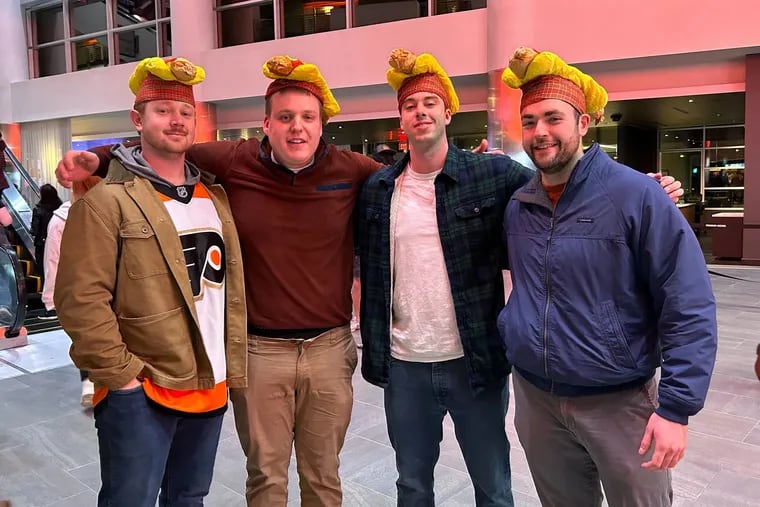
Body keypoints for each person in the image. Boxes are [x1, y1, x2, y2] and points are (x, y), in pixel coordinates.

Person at [57, 55, 378, 507]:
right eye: (285, 117)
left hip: (324, 349)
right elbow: (165, 146)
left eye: (308, 118)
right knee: (263, 477)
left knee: (321, 477)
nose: (297, 128)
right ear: (265, 124)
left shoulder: (351, 169)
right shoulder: (232, 161)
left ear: (323, 123)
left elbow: (409, 184)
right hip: (255, 352)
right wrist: (98, 156)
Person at [498, 47, 717, 506]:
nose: (540, 133)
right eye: (530, 121)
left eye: (554, 118)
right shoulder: (519, 205)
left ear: (584, 123)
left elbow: (687, 302)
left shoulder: (636, 195)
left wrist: (676, 409)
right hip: (537, 398)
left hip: (619, 402)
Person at [54, 56, 246, 507]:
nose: (176, 121)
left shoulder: (214, 197)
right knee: (129, 500)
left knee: (189, 497)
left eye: (184, 112)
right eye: (163, 110)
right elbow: (79, 300)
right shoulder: (104, 203)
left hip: (210, 381)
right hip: (142, 389)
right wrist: (122, 378)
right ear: (137, 120)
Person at [357, 48, 533, 507]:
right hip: (404, 363)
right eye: (411, 105)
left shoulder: (490, 173)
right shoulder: (378, 189)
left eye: (430, 103)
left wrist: (641, 186)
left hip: (472, 360)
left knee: (493, 484)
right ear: (401, 119)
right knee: (412, 485)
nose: (420, 112)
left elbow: (557, 188)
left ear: (448, 112)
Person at [41, 176, 101, 404]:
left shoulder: (111, 212)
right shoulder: (62, 220)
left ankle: (96, 381)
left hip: (103, 287)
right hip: (81, 289)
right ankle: (90, 382)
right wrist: (51, 296)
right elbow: (53, 259)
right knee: (86, 336)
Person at [30, 183, 62, 287]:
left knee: (44, 271)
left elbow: (34, 231)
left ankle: (46, 297)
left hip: (42, 245)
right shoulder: (60, 210)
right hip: (58, 243)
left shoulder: (38, 211)